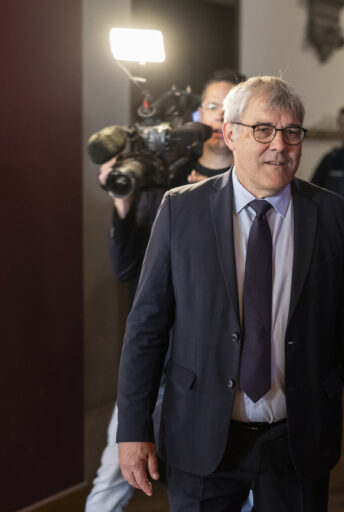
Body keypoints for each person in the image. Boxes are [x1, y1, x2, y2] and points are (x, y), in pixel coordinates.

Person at [116, 76, 344, 511]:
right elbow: (146, 327)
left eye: (292, 132)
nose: (279, 145)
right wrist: (133, 428)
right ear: (231, 134)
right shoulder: (180, 210)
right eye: (263, 130)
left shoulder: (335, 217)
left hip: (296, 438)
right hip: (201, 432)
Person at [85, 69, 247, 512]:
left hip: (227, 362)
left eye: (231, 107)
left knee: (242, 481)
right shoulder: (166, 178)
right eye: (212, 106)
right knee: (113, 476)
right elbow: (128, 271)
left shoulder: (254, 183)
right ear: (199, 112)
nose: (219, 117)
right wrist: (124, 201)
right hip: (162, 356)